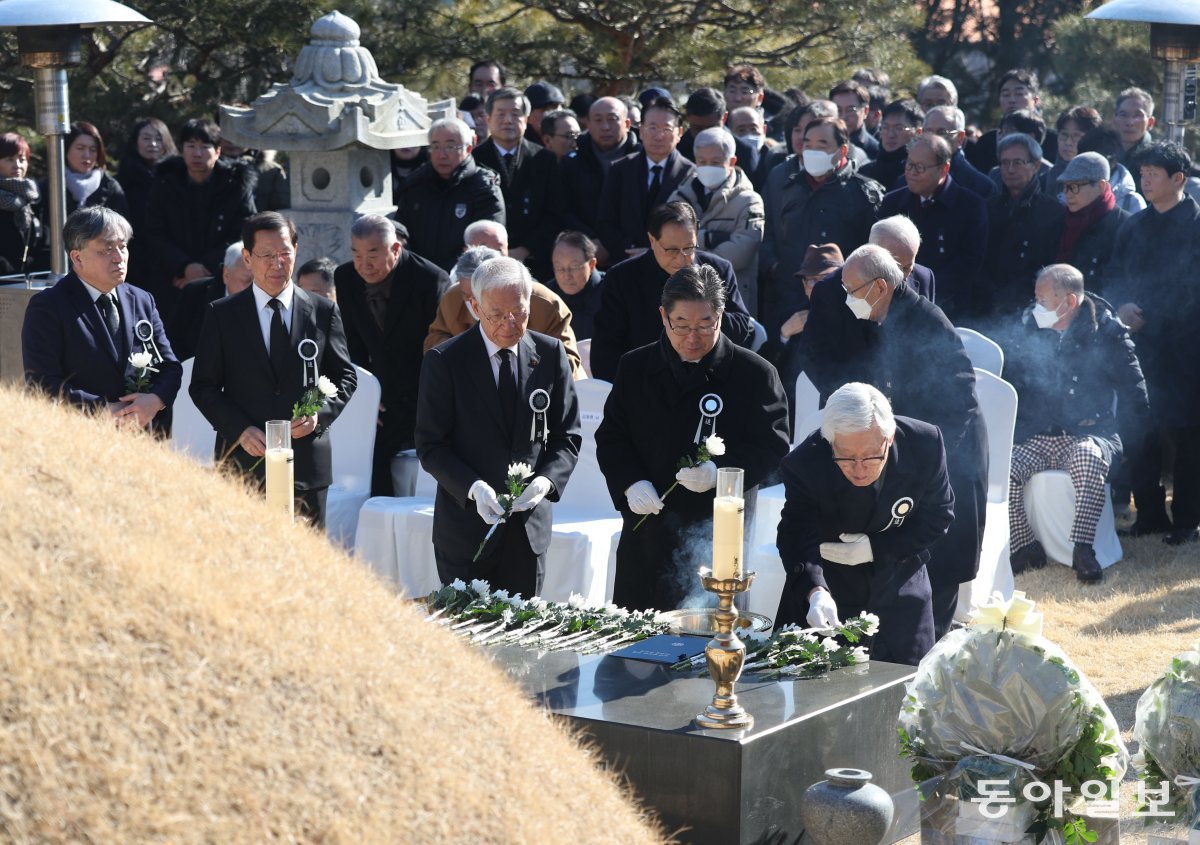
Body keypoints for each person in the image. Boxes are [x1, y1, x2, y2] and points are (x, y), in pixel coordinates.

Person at [804, 244, 987, 639]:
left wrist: (914, 461)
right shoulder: (875, 314)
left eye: (852, 290)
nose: (846, 297)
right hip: (898, 454)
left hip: (946, 457)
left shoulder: (928, 323)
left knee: (935, 574)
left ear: (881, 287)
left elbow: (958, 403)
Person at [595, 264, 789, 611]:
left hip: (715, 533)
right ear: (663, 317)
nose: (692, 337)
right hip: (647, 530)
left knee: (708, 644)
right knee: (637, 643)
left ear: (721, 316)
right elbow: (612, 437)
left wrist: (721, 473)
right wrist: (630, 483)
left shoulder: (754, 374)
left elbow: (772, 445)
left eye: (705, 325)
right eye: (681, 325)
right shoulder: (635, 367)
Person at [415, 256, 582, 597]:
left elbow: (568, 434)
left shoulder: (549, 353)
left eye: (519, 312)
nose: (510, 324)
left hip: (527, 530)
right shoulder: (446, 361)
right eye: (496, 314)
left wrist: (545, 482)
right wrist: (474, 488)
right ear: (474, 306)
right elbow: (431, 445)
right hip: (465, 531)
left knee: (524, 640)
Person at [190, 212, 357, 528]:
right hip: (244, 461)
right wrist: (239, 430)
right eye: (266, 255)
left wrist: (318, 415)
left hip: (306, 462)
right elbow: (203, 387)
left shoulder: (323, 310)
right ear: (248, 258)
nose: (277, 264)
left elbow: (344, 376)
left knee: (306, 564)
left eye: (285, 254)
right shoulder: (222, 314)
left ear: (296, 250)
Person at [775, 382, 952, 665]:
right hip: (832, 593)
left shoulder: (924, 444)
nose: (859, 469)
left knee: (907, 696)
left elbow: (938, 515)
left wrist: (876, 549)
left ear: (889, 437)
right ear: (830, 442)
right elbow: (795, 534)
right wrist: (815, 591)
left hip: (901, 589)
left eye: (871, 456)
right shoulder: (805, 463)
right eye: (846, 458)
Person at [1002, 265, 1149, 583]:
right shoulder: (1027, 326)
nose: (1035, 305)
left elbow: (1135, 396)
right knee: (1006, 467)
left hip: (1090, 433)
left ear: (1068, 301)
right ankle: (1025, 546)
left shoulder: (1108, 332)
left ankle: (1083, 550)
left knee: (1086, 456)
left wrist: (1126, 448)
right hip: (1037, 434)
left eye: (1042, 299)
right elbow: (1010, 384)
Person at [1104, 141, 1200, 544]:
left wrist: (1154, 316)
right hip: (1139, 347)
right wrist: (1122, 306)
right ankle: (1148, 515)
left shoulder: (1196, 225)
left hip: (1185, 346)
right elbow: (1114, 274)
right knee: (1139, 428)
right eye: (1141, 174)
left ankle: (1187, 520)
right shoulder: (1133, 224)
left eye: (1153, 175)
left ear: (1178, 179)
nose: (1144, 181)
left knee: (1188, 434)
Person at [22, 206, 181, 432]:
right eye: (106, 249)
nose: (119, 258)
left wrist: (155, 400)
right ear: (77, 257)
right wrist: (101, 410)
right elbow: (41, 383)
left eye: (123, 247)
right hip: (80, 435)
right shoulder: (49, 306)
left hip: (142, 436)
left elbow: (170, 366)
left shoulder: (142, 299)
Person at [335, 215, 449, 496]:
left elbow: (439, 349)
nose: (364, 264)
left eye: (373, 254)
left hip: (425, 388)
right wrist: (365, 398)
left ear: (395, 249)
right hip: (380, 391)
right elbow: (352, 344)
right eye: (356, 254)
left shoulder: (430, 279)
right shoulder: (346, 277)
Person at [590, 201, 756, 382]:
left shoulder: (718, 270)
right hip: (645, 381)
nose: (682, 258)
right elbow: (605, 351)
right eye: (672, 250)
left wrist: (706, 317)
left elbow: (742, 327)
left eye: (689, 248)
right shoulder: (622, 279)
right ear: (652, 241)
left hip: (707, 378)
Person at [759, 116, 883, 342]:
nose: (812, 151)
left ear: (842, 150)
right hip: (789, 300)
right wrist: (775, 268)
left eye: (822, 145)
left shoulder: (865, 194)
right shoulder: (786, 186)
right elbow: (767, 234)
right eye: (808, 145)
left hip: (845, 308)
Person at [423, 221, 584, 379]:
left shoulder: (546, 304)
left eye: (483, 294)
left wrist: (519, 365)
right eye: (468, 295)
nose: (474, 302)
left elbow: (568, 362)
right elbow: (435, 341)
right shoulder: (453, 298)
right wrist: (469, 356)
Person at [143, 118, 257, 317]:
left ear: (218, 151)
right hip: (173, 279)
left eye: (205, 147)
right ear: (181, 149)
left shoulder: (236, 184)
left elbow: (245, 231)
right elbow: (154, 232)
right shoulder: (164, 183)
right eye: (191, 146)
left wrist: (205, 268)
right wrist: (184, 267)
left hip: (221, 276)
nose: (197, 153)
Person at [877, 133, 986, 322]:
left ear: (944, 169)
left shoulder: (971, 206)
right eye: (909, 164)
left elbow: (969, 262)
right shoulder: (892, 202)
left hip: (948, 309)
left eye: (920, 167)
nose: (911, 172)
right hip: (896, 306)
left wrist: (925, 289)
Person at [668, 127, 765, 313]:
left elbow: (741, 253)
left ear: (732, 161)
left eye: (716, 161)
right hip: (683, 300)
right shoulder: (678, 197)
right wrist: (710, 238)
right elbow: (668, 245)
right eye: (702, 162)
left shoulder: (749, 201)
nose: (708, 167)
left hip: (732, 300)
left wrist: (688, 251)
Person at [470, 87, 562, 280]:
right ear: (488, 119)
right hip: (483, 262)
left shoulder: (544, 159)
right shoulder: (474, 159)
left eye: (515, 114)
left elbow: (556, 213)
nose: (508, 120)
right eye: (501, 114)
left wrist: (526, 249)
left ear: (526, 120)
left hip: (535, 261)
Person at [394, 116, 505, 272]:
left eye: (451, 147)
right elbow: (400, 232)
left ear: (468, 148)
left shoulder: (483, 187)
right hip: (418, 276)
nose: (442, 154)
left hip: (467, 277)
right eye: (436, 147)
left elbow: (488, 243)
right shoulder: (415, 185)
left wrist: (450, 274)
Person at [596, 97, 695, 263]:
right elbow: (605, 222)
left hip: (672, 265)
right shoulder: (620, 169)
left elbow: (692, 228)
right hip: (626, 260)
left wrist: (652, 252)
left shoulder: (691, 174)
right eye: (652, 127)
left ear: (679, 133)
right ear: (641, 130)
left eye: (667, 129)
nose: (658, 136)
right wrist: (630, 249)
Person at [978, 133, 1064, 323]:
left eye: (1018, 163)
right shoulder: (988, 207)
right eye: (1005, 163)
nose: (1010, 169)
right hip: (984, 306)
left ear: (1036, 165)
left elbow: (1050, 265)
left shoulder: (1053, 212)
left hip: (1030, 309)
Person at [560, 96, 639, 260]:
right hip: (585, 250)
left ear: (627, 124)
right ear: (587, 124)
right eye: (598, 120)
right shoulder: (572, 162)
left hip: (632, 251)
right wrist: (590, 241)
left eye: (612, 119)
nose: (605, 127)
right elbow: (564, 209)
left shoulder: (642, 158)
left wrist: (619, 244)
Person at [1054, 152, 1130, 294]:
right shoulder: (1060, 221)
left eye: (1074, 187)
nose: (1067, 194)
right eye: (1065, 187)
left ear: (1101, 186)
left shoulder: (1124, 226)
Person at [168, 240, 254, 361]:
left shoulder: (270, 299)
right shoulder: (195, 293)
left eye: (260, 281)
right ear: (226, 275)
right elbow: (173, 342)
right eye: (247, 281)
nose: (254, 289)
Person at [116, 117, 176, 284]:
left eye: (158, 138)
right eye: (146, 138)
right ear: (135, 142)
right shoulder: (122, 181)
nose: (153, 144)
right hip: (134, 260)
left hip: (171, 263)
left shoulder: (178, 179)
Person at [966, 69, 1057, 175]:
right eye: (1006, 95)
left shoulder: (1053, 141)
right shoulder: (987, 142)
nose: (1012, 100)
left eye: (1019, 94)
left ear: (1035, 100)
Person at [921, 105, 997, 200]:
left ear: (959, 137)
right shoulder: (907, 179)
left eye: (942, 132)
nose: (933, 139)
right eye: (928, 132)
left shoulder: (981, 187)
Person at [545, 230, 603, 340]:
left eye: (574, 267)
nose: (567, 276)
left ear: (591, 264)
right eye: (559, 268)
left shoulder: (612, 291)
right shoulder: (547, 297)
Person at [1078, 126, 1147, 215]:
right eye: (1083, 161)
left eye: (1095, 162)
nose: (1088, 168)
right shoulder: (1069, 196)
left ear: (1113, 161)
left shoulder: (1132, 202)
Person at [859, 99, 923, 191]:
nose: (890, 134)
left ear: (918, 132)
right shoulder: (865, 172)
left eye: (898, 128)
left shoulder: (918, 174)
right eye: (885, 127)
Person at [0, 132, 39, 276]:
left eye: (22, 159)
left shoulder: (34, 197)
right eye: (9, 159)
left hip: (31, 281)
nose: (17, 165)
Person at [1046, 106, 1103, 192]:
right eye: (1064, 134)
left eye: (1076, 136)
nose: (1068, 142)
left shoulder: (1104, 179)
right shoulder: (1045, 178)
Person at [728, 106, 780, 192]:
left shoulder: (777, 158)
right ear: (731, 133)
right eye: (741, 130)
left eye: (753, 128)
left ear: (764, 129)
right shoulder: (727, 161)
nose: (749, 133)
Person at [1115, 87, 1156, 190]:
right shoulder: (1104, 153)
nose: (1130, 122)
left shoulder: (1157, 159)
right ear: (1114, 119)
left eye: (1137, 116)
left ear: (1150, 123)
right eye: (1123, 115)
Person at [829, 80, 879, 160]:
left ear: (865, 111)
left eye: (850, 110)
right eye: (838, 110)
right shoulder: (820, 144)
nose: (843, 117)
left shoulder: (875, 151)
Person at [523, 81, 565, 145]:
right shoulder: (520, 147)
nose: (552, 114)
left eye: (555, 108)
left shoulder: (572, 140)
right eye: (545, 110)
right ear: (528, 117)